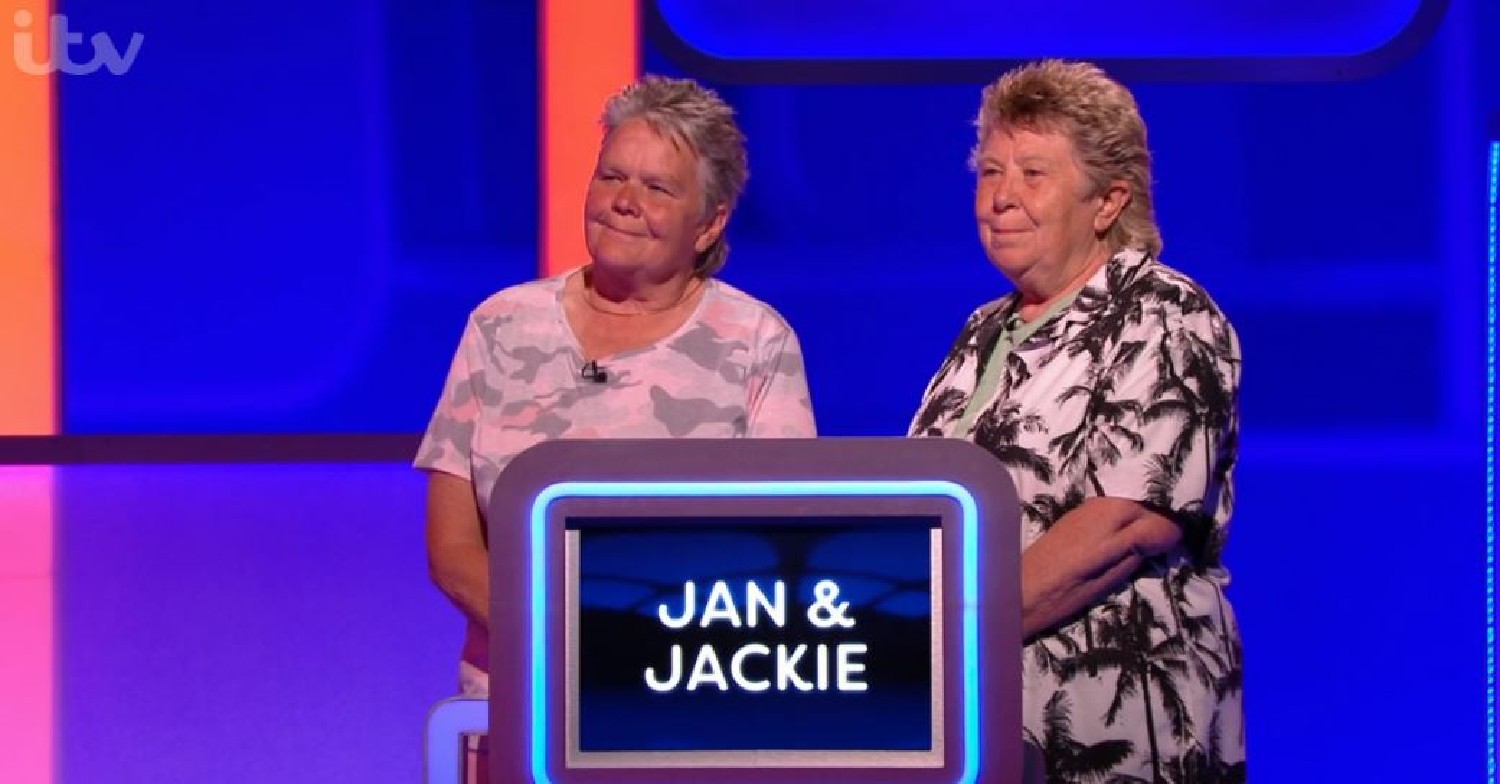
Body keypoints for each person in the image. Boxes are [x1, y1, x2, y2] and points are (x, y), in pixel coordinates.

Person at [414, 74, 817, 781]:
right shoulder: (501, 325)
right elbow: (452, 549)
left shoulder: (757, 341)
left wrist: (640, 658)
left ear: (710, 223)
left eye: (658, 188)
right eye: (611, 176)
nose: (625, 201)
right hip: (517, 714)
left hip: (685, 720)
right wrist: (570, 645)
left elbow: (785, 551)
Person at [907, 60, 1245, 782]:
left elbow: (1127, 522)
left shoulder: (1164, 314)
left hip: (1116, 721)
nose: (1000, 197)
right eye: (990, 172)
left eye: (1033, 174)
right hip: (981, 721)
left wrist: (942, 633)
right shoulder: (982, 333)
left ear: (1108, 201)